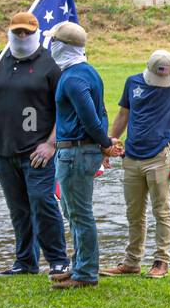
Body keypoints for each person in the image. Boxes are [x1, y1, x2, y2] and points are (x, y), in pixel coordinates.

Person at [0, 11, 68, 278]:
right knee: (18, 207)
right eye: (17, 31)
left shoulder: (50, 64)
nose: (21, 36)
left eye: (26, 32)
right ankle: (25, 261)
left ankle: (58, 260)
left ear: (36, 32)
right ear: (9, 31)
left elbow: (64, 108)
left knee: (42, 201)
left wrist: (52, 143)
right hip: (3, 148)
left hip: (38, 150)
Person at [102, 49, 170, 279]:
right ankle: (132, 262)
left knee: (162, 211)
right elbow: (124, 114)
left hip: (159, 158)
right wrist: (110, 142)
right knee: (134, 213)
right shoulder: (132, 81)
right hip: (131, 157)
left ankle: (161, 262)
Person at [48, 21, 120, 289]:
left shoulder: (74, 78)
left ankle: (86, 273)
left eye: (54, 41)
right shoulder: (87, 72)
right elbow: (100, 113)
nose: (50, 46)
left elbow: (91, 118)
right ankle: (79, 266)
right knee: (73, 210)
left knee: (79, 213)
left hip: (76, 152)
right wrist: (103, 143)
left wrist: (104, 143)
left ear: (62, 46)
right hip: (78, 151)